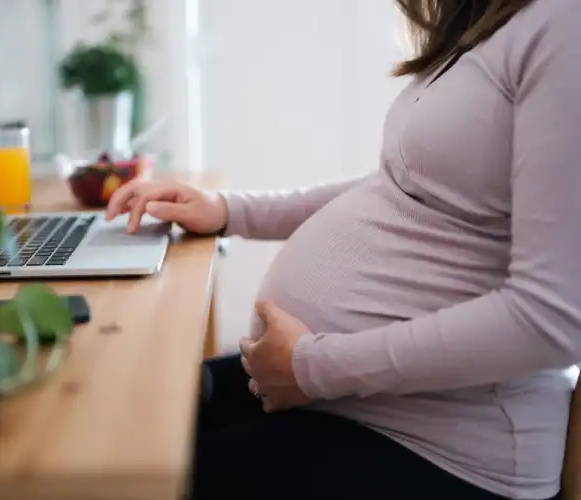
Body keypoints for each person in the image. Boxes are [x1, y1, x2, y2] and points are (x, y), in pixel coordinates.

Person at [106, 0, 581, 498]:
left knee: (136, 475)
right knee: (134, 417)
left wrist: (313, 367)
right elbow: (405, 186)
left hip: (445, 448)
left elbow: (550, 319)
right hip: (354, 399)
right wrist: (230, 211)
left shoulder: (562, 25)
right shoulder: (486, 23)